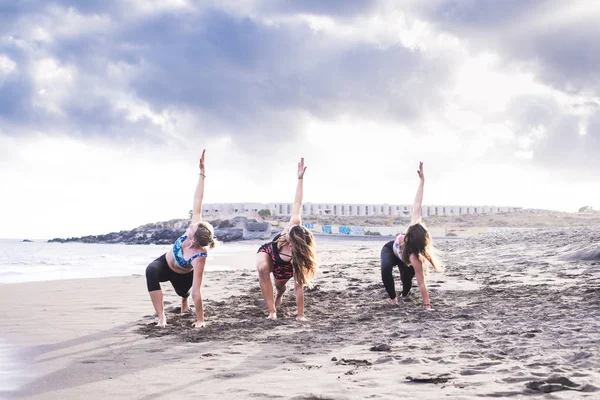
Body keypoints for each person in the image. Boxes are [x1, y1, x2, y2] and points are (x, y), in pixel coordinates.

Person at [145, 150, 215, 328]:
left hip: (182, 275)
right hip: (164, 263)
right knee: (150, 271)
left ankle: (183, 301)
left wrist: (200, 320)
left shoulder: (199, 256)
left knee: (184, 292)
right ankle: (161, 317)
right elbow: (198, 199)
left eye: (192, 228)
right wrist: (202, 173)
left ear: (193, 239)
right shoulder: (195, 227)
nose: (191, 225)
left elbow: (197, 291)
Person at [256, 158, 317, 321]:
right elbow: (297, 202)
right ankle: (272, 311)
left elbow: (299, 287)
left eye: (289, 234)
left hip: (285, 264)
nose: (287, 231)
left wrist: (300, 315)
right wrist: (300, 179)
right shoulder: (293, 224)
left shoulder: (297, 257)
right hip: (269, 252)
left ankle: (280, 294)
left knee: (280, 286)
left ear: (293, 243)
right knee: (262, 268)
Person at [380, 162, 443, 310]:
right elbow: (417, 204)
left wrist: (427, 306)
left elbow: (422, 283)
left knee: (407, 283)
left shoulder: (414, 258)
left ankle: (403, 294)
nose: (406, 233)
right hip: (391, 250)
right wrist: (422, 181)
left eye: (408, 236)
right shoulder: (414, 225)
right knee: (386, 267)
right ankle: (394, 299)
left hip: (404, 260)